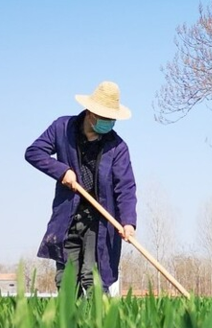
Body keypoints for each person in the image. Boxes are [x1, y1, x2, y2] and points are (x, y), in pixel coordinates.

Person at [25, 80, 137, 297]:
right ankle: (69, 326)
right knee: (67, 277)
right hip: (68, 215)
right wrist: (62, 171)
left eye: (112, 118)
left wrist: (128, 222)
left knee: (92, 276)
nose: (109, 122)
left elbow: (126, 187)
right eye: (104, 117)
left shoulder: (117, 147)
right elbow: (34, 152)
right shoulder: (62, 128)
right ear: (90, 113)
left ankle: (96, 327)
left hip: (101, 219)